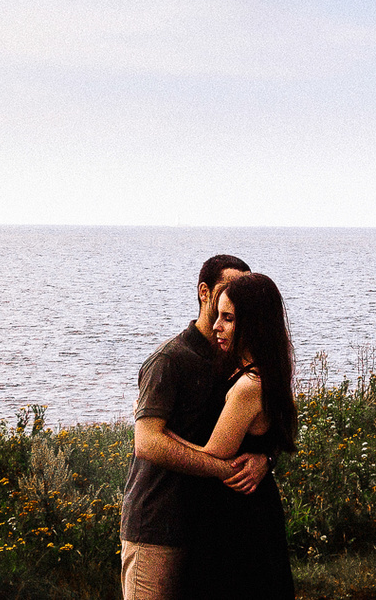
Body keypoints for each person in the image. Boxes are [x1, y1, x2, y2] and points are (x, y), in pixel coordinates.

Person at [120, 254, 269, 600]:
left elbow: (258, 424)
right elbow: (148, 443)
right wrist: (223, 469)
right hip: (157, 527)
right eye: (226, 290)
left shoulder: (237, 360)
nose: (234, 300)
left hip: (209, 527)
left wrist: (265, 460)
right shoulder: (169, 360)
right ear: (204, 293)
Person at [170, 272, 298, 600]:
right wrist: (267, 457)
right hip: (250, 510)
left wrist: (163, 435)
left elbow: (213, 454)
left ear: (252, 325)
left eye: (228, 318)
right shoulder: (263, 371)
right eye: (218, 316)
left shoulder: (247, 385)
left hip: (237, 520)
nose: (217, 327)